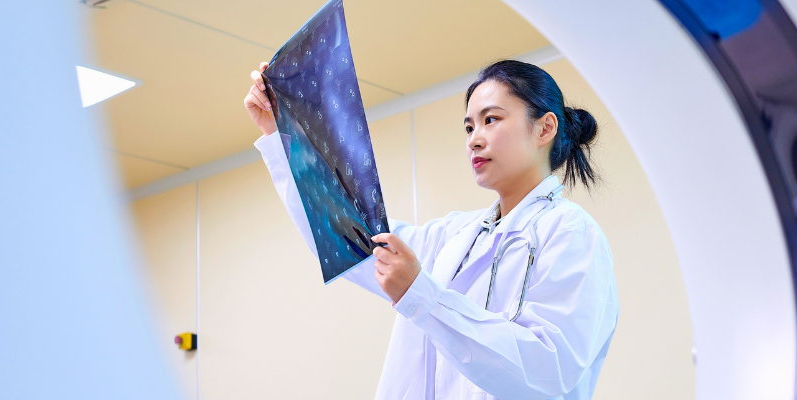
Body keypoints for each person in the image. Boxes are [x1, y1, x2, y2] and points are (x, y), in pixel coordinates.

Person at [243, 59, 618, 400]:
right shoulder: (454, 235)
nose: (474, 138)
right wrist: (282, 135)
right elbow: (348, 235)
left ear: (545, 128)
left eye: (491, 120)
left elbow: (547, 373)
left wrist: (422, 295)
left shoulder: (571, 234)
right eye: (469, 126)